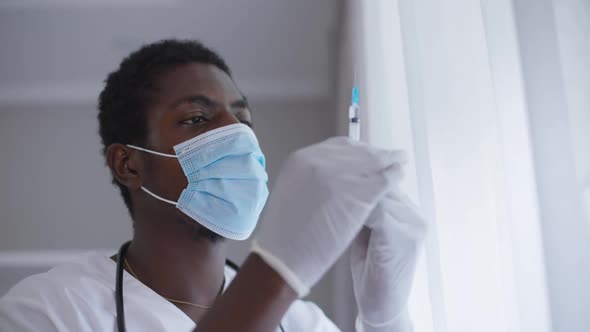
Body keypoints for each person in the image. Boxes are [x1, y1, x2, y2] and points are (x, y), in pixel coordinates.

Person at [0, 39, 426, 332]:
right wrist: (277, 272)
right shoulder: (51, 310)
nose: (239, 137)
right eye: (197, 119)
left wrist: (385, 320)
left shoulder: (300, 323)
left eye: (243, 119)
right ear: (128, 164)